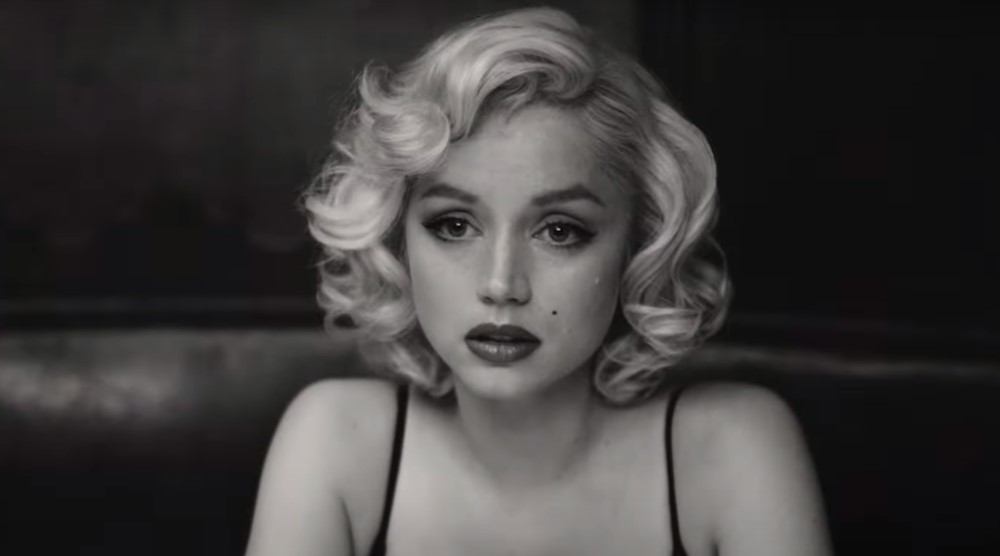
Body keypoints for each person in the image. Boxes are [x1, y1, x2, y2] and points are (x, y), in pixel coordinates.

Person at [245, 7, 832, 556]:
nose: (501, 284)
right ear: (399, 240)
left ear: (640, 245)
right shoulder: (335, 441)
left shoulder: (731, 449)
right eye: (454, 225)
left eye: (559, 231)